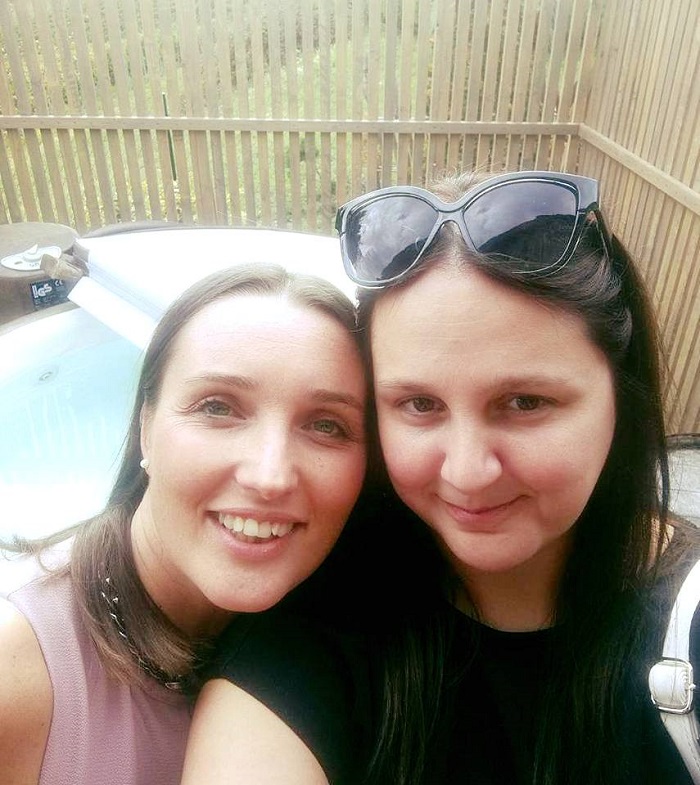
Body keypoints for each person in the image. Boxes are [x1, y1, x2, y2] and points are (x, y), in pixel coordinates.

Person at [181, 169, 700, 785]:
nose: (468, 471)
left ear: (621, 395)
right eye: (419, 404)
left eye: (525, 402)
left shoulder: (688, 622)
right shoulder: (312, 632)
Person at [0, 262, 369, 785]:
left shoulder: (352, 647)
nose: (270, 475)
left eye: (326, 425)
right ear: (145, 427)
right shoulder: (18, 670)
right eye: (217, 407)